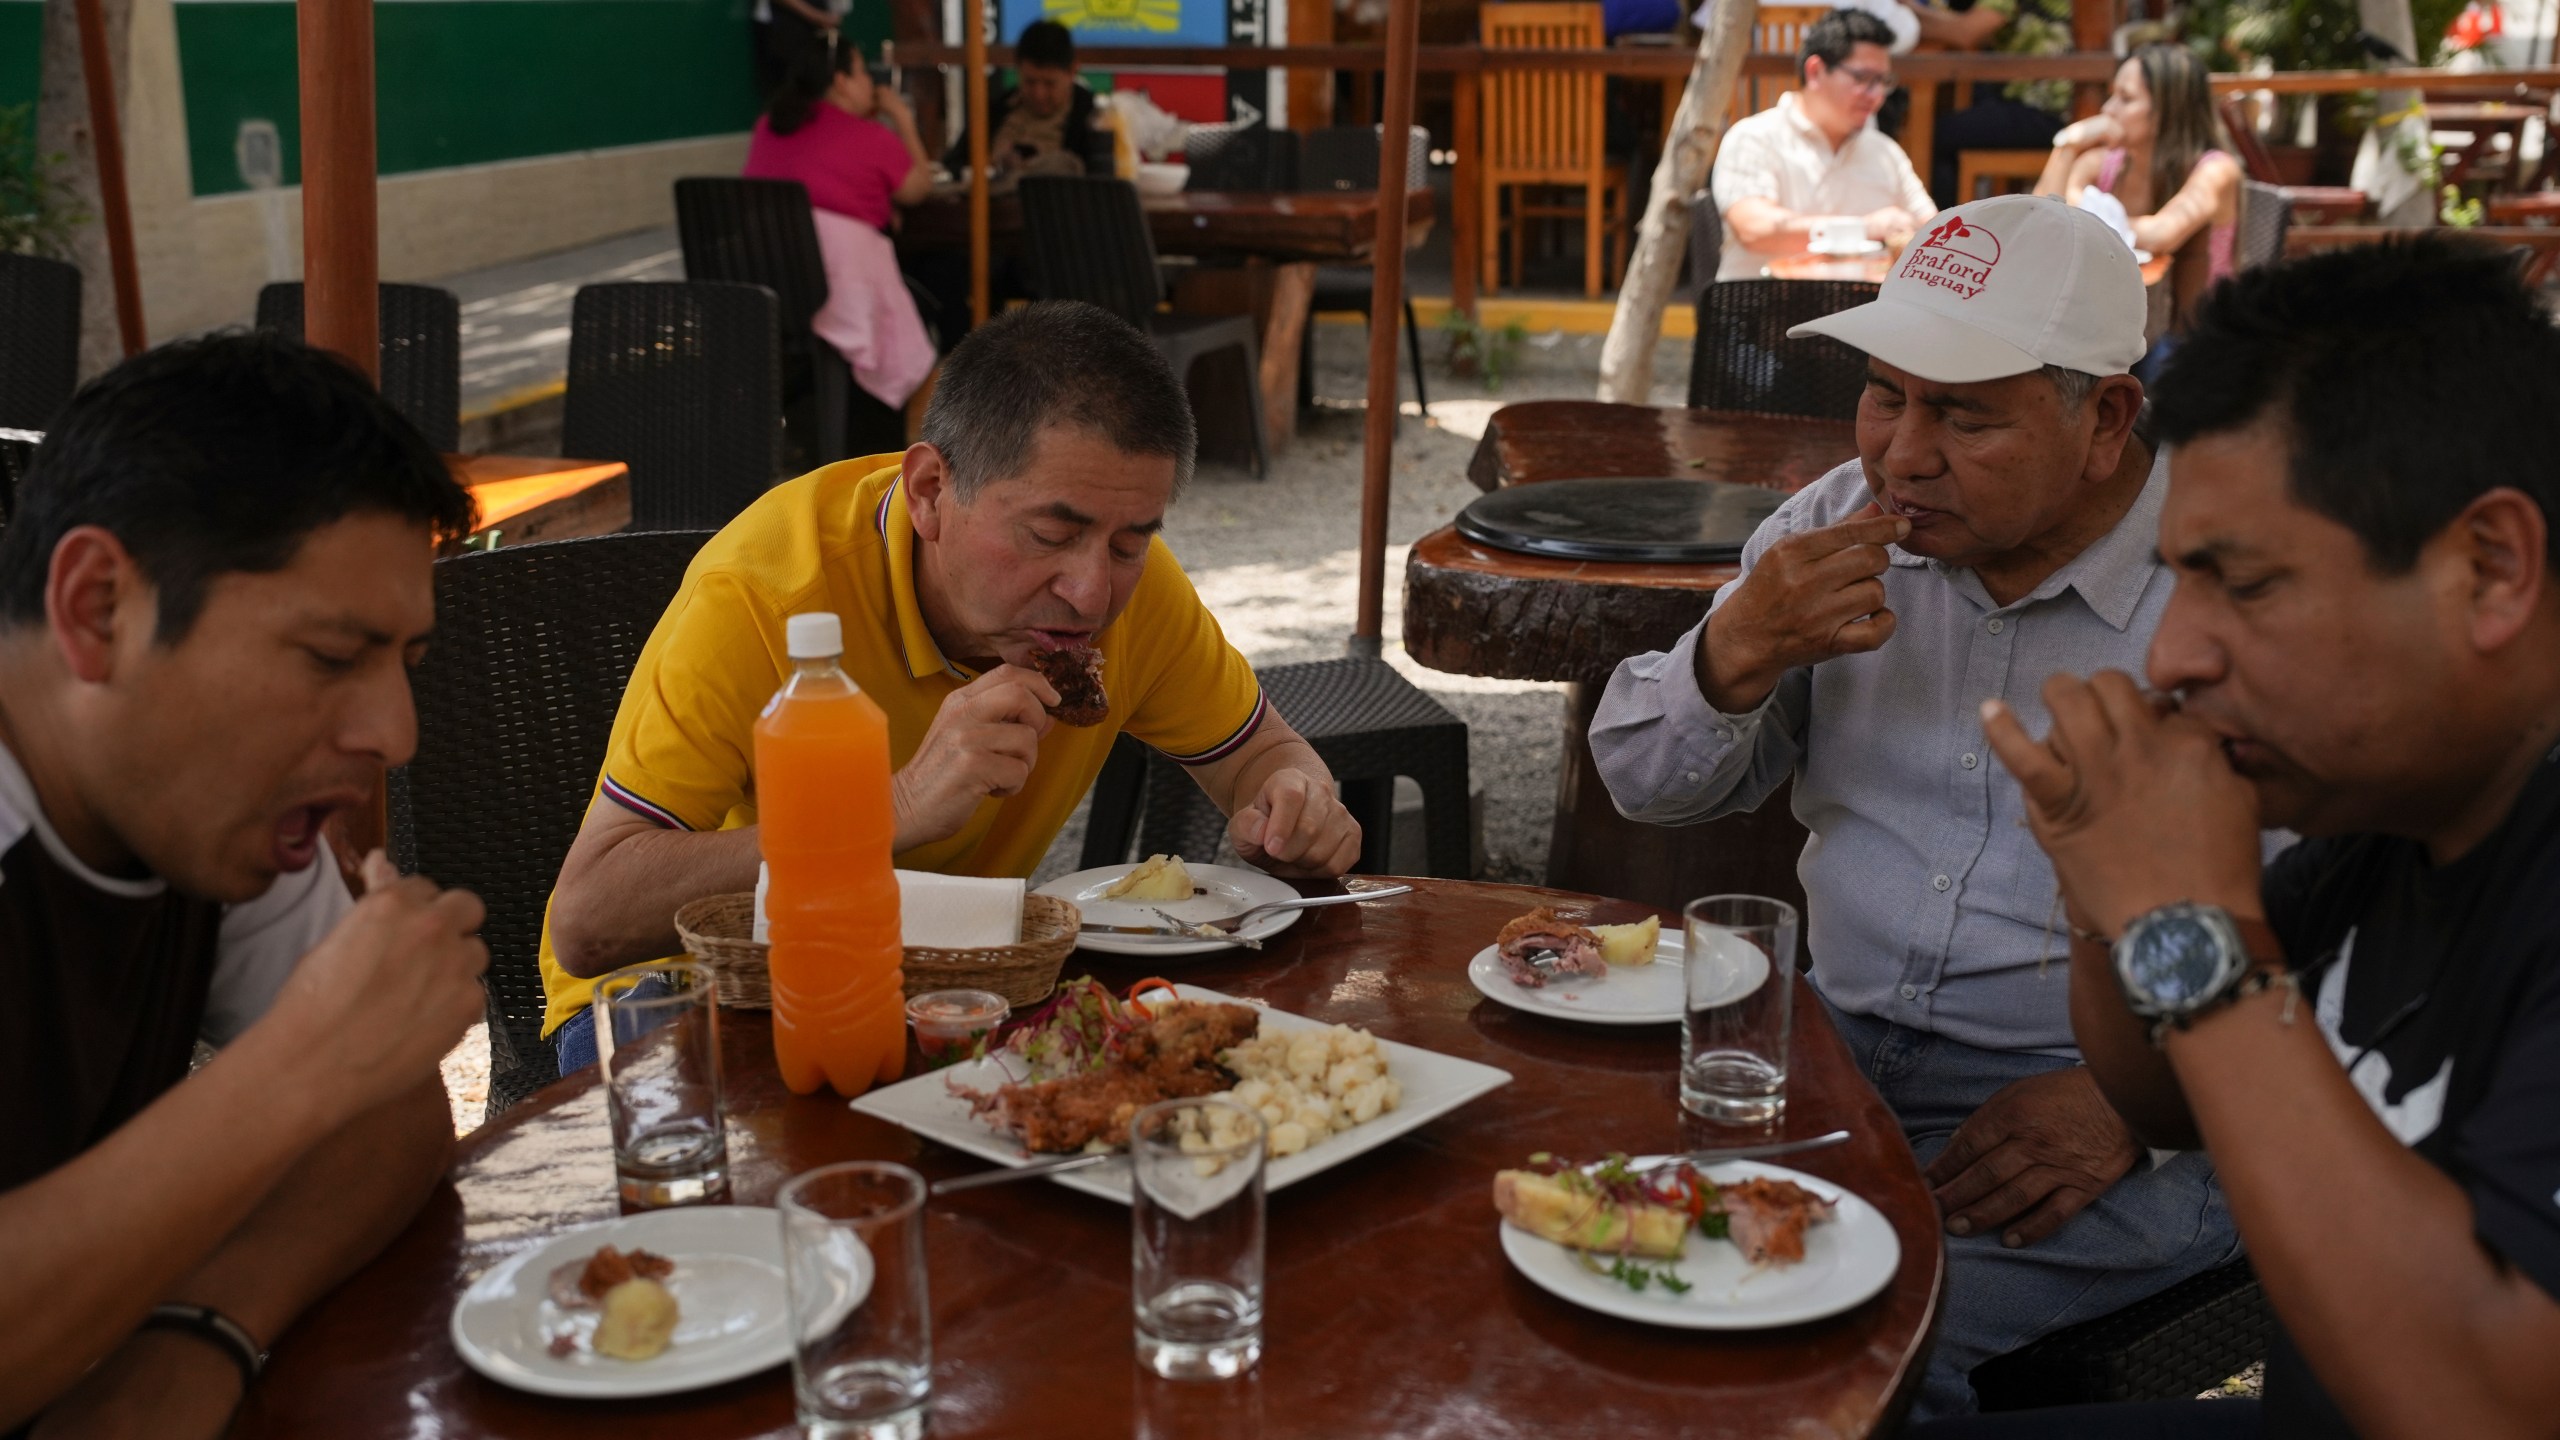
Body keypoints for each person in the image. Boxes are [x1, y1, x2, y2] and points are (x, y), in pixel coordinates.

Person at [1589, 195, 2245, 1420]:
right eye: (1886, 393)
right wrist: (1732, 656)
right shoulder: (1835, 526)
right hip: (1827, 1046)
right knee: (1610, 1256)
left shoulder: (2230, 587)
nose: (1900, 453)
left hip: (2122, 1104)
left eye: (1963, 412)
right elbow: (1640, 779)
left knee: (1858, 1342)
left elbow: (2363, 915)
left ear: (2104, 418)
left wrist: (2141, 1100)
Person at [1939, 240, 2560, 1437]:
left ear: (2490, 568)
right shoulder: (2401, 811)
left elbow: (2483, 1402)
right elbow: (2169, 1100)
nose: (2171, 655)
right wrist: (2102, 891)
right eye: (2177, 581)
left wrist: (2191, 922)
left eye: (2245, 585)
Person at [539, 302, 1362, 1071]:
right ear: (931, 491)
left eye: (1128, 543)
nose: (1090, 592)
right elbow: (589, 921)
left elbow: (1260, 750)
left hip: (941, 983)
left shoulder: (1132, 595)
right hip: (680, 999)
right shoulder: (766, 600)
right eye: (1051, 534)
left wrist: (1294, 798)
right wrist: (887, 810)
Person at [0, 334, 490, 1436]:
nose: (394, 736)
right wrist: (301, 1063)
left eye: (403, 664)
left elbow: (393, 1119)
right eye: (328, 657)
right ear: (96, 610)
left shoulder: (201, 810)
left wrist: (203, 1329)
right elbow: (337, 1079)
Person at [745, 32, 939, 452]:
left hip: (765, 293)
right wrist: (901, 117)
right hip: (832, 297)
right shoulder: (870, 137)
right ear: (841, 81)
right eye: (863, 74)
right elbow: (917, 189)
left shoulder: (768, 127)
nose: (871, 84)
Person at [2036, 42, 2244, 340]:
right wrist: (2067, 145)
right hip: (2115, 324)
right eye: (2112, 95)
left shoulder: (2215, 170)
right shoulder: (2102, 165)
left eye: (2126, 98)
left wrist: (2079, 214)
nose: (2108, 109)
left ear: (2167, 111)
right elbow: (2042, 217)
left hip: (2197, 336)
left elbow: (2161, 235)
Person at [1711, 8, 1936, 281]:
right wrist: (1865, 228)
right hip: (1763, 314)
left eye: (1883, 81)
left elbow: (1933, 232)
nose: (1876, 96)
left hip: (1854, 319)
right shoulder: (1754, 138)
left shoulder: (1885, 151)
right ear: (1816, 71)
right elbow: (1754, 229)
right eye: (1863, 79)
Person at [1899, 0, 2075, 204]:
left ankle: (1944, 226)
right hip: (2038, 105)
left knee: (1934, 137)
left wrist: (1905, 13)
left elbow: (1965, 32)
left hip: (2045, 112)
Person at [940, 20, 1111, 183]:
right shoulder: (997, 109)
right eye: (1030, 82)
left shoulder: (1092, 120)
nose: (1039, 94)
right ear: (1018, 70)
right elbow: (954, 162)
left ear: (1072, 72)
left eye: (1049, 84)